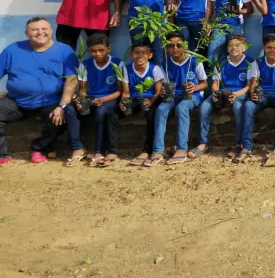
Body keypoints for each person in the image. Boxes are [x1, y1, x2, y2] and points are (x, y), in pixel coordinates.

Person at [0, 17, 80, 165]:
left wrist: (62, 105)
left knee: (59, 119)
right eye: (35, 29)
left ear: (51, 31)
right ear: (26, 33)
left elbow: (71, 79)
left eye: (44, 29)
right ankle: (2, 154)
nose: (40, 32)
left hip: (50, 101)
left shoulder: (64, 51)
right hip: (16, 101)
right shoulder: (13, 50)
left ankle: (39, 148)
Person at [149, 32, 208, 167]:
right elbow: (163, 85)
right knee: (161, 109)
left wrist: (195, 87)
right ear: (167, 48)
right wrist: (163, 90)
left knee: (182, 108)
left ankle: (181, 148)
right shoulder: (164, 64)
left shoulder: (195, 61)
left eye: (178, 45)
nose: (175, 49)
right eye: (171, 46)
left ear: (185, 46)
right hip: (173, 96)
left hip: (192, 95)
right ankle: (158, 150)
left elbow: (205, 83)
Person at [196, 35, 253, 162]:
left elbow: (249, 86)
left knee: (238, 108)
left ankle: (239, 144)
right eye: (231, 45)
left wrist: (236, 95)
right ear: (227, 48)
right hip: (223, 92)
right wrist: (216, 93)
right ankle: (203, 143)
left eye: (237, 45)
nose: (234, 48)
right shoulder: (221, 62)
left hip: (240, 93)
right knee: (204, 107)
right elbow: (215, 83)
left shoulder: (250, 62)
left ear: (243, 47)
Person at [70, 34, 123, 167]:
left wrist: (103, 99)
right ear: (89, 51)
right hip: (92, 97)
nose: (97, 54)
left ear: (108, 49)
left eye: (101, 50)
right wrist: (80, 99)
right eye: (93, 51)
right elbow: (82, 89)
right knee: (70, 109)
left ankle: (99, 150)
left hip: (110, 97)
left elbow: (120, 91)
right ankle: (78, 147)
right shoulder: (85, 64)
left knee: (101, 112)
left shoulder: (117, 63)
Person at [245, 34, 275, 163]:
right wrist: (252, 93)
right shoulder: (258, 62)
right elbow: (254, 82)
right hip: (263, 94)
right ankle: (246, 146)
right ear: (263, 48)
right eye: (269, 47)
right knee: (248, 106)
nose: (272, 50)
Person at [122, 39, 165, 167]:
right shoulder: (127, 69)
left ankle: (147, 150)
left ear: (150, 55)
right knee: (112, 113)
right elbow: (125, 91)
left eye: (144, 52)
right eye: (137, 53)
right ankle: (110, 150)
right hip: (135, 99)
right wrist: (123, 102)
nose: (140, 56)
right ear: (131, 55)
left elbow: (158, 92)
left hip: (152, 98)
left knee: (152, 115)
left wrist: (151, 101)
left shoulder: (155, 68)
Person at [207, 0, 253, 65]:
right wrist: (209, 24)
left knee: (235, 54)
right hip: (219, 26)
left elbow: (250, 9)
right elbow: (212, 8)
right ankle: (214, 79)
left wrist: (239, 11)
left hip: (235, 25)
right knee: (212, 54)